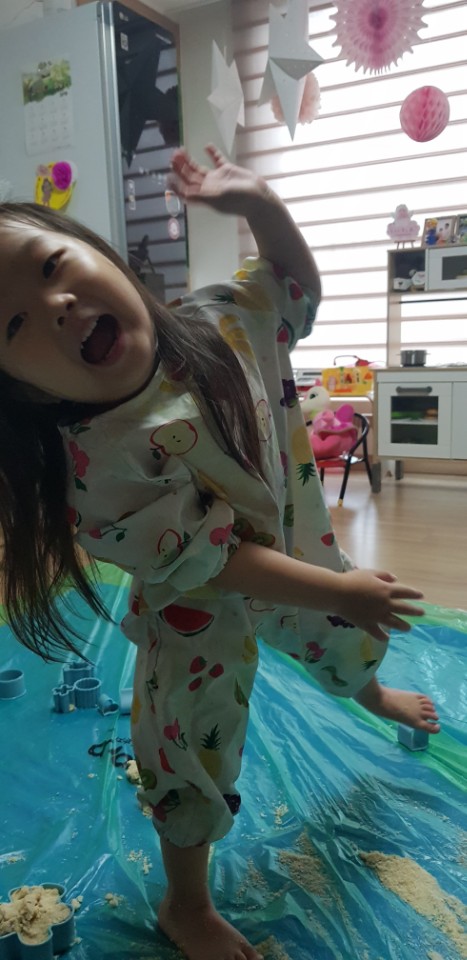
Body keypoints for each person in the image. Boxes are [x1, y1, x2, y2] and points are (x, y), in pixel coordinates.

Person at [0, 144, 439, 960]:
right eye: (14, 324)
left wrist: (261, 204)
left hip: (293, 538)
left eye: (53, 266)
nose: (56, 304)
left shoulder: (220, 323)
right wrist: (337, 591)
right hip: (191, 610)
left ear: (98, 250)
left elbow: (291, 287)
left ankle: (370, 693)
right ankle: (186, 902)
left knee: (341, 633)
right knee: (185, 751)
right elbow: (209, 560)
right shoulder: (92, 470)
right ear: (18, 387)